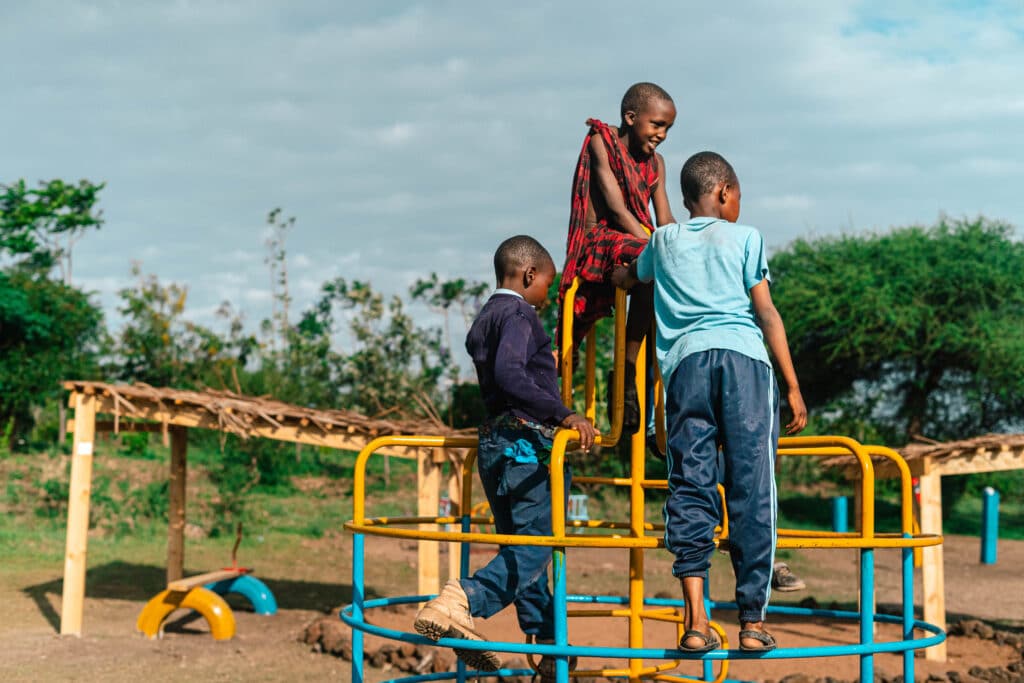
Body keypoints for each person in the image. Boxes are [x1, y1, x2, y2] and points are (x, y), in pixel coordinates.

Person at [612, 152, 808, 652]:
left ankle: (696, 620)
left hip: (685, 370)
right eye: (738, 195)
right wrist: (792, 385)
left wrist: (612, 277)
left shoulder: (663, 241)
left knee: (690, 486)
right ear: (724, 192)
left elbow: (630, 278)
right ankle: (751, 621)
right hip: (745, 365)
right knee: (752, 486)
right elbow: (766, 314)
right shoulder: (746, 237)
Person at [415, 235, 597, 676]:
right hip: (527, 447)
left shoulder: (484, 317)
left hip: (496, 446)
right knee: (538, 546)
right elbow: (510, 374)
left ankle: (549, 648)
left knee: (523, 550)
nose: (545, 298)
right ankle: (463, 600)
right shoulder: (519, 313)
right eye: (546, 288)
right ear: (529, 275)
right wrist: (565, 413)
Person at [558, 82, 677, 432]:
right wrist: (655, 245)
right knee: (651, 257)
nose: (662, 134)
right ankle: (617, 380)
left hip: (636, 242)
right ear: (630, 117)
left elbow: (665, 218)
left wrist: (681, 245)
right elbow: (616, 207)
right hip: (600, 239)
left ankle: (628, 374)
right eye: (657, 124)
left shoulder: (657, 165)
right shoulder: (602, 141)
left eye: (668, 128)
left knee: (660, 270)